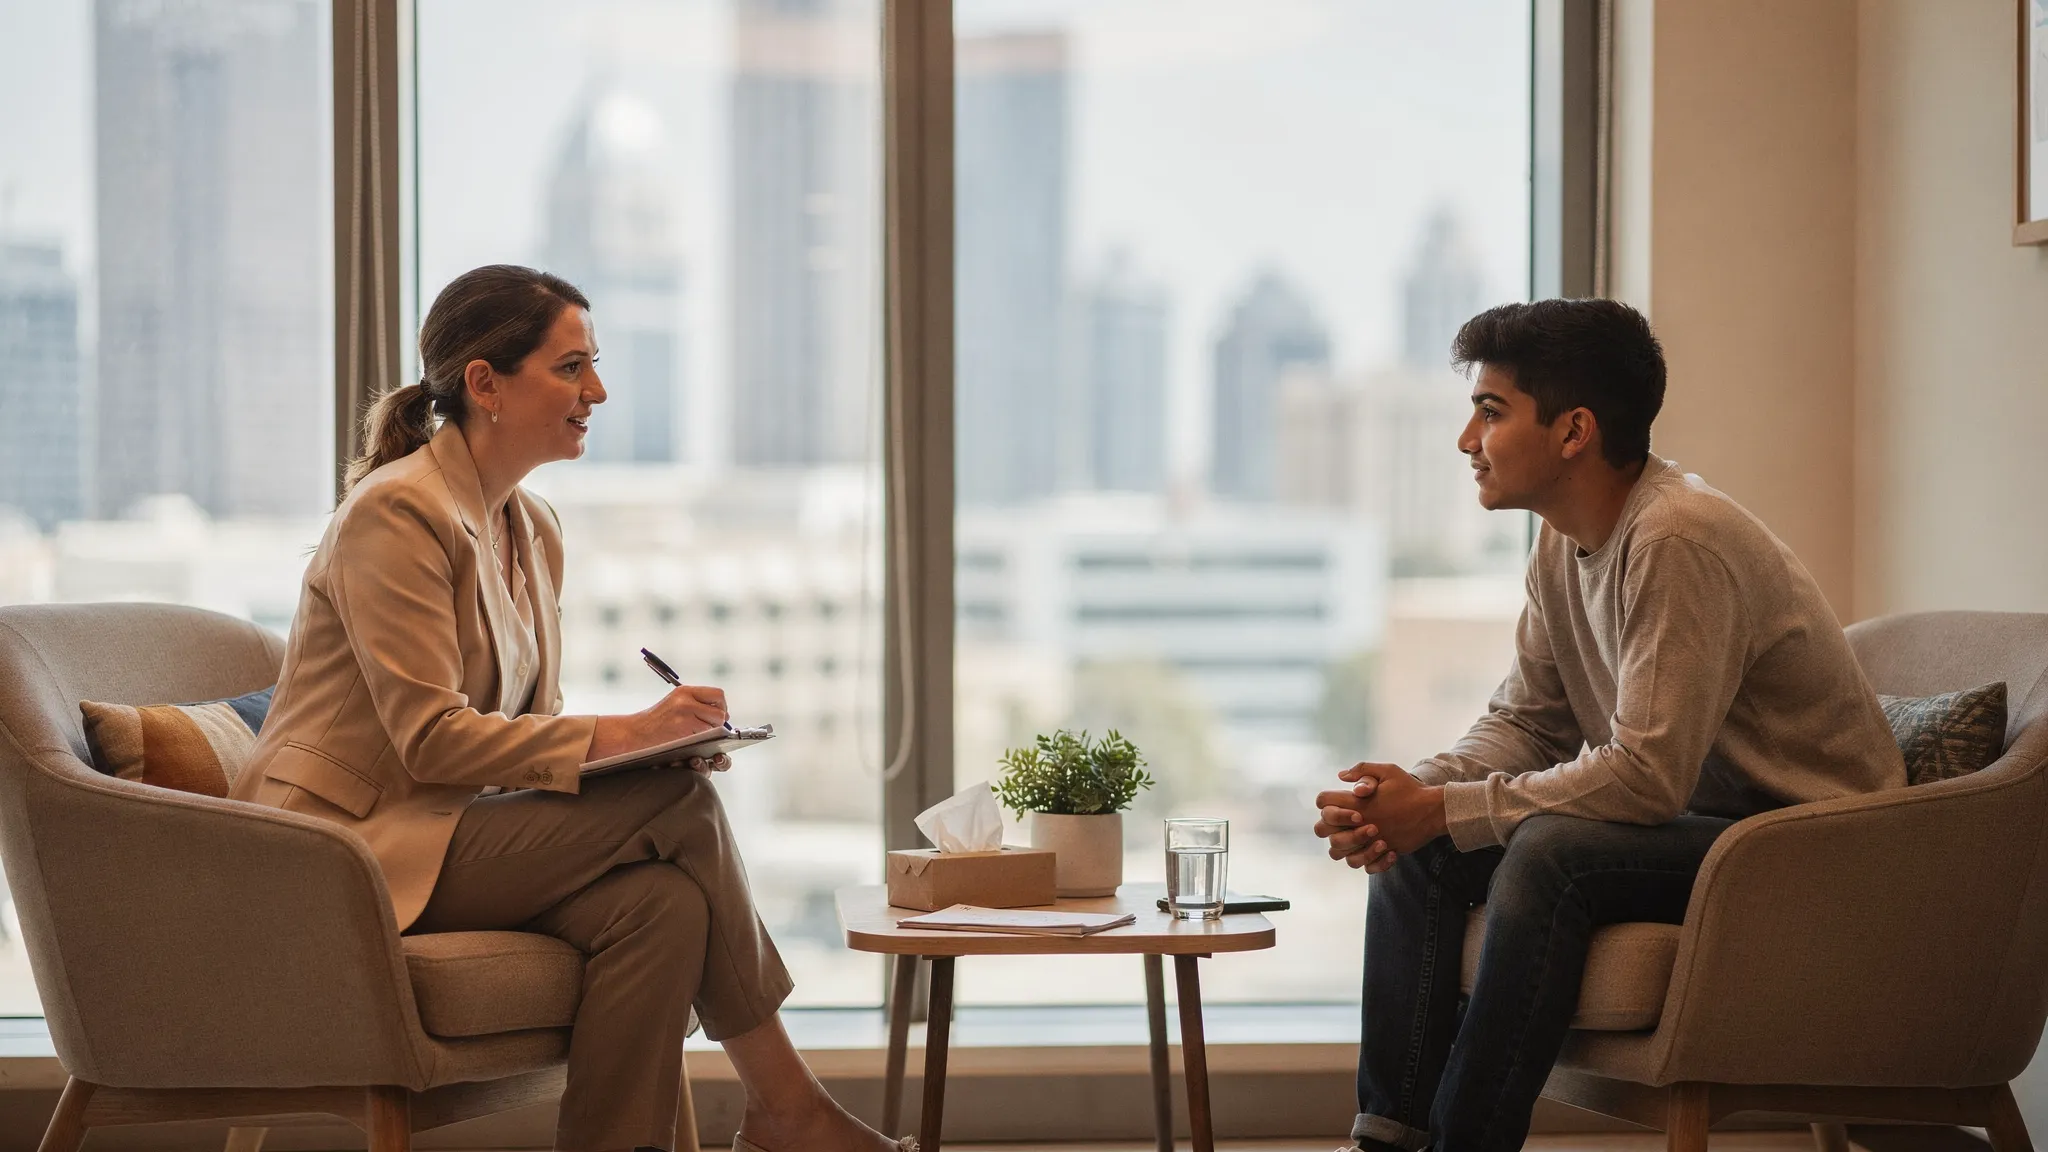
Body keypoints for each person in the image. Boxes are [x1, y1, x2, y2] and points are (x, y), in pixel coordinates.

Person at [232, 265, 910, 1152]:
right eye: (571, 367)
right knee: (684, 806)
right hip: (352, 854)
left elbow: (527, 728)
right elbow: (430, 740)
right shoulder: (393, 516)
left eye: (593, 365)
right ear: (485, 384)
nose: (598, 390)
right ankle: (787, 1107)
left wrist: (643, 756)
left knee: (663, 907)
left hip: (452, 834)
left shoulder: (532, 526)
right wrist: (635, 739)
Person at [1314, 299, 1906, 1152]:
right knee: (1420, 850)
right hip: (1705, 828)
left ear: (1573, 431)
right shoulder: (1561, 543)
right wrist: (1405, 796)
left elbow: (1644, 776)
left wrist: (1443, 807)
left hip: (1805, 844)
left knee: (1550, 853)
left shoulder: (1676, 540)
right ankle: (1388, 1141)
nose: (1464, 441)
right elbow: (1527, 722)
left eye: (1489, 412)